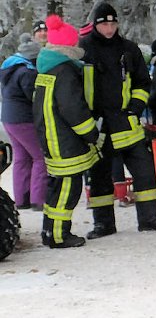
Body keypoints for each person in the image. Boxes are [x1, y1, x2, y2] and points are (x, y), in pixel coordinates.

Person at [79, 1, 156, 237]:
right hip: (99, 125)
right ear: (96, 25)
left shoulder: (129, 49)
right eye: (105, 24)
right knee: (100, 177)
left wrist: (135, 108)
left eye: (113, 23)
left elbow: (143, 82)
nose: (110, 28)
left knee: (145, 173)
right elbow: (76, 87)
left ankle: (149, 218)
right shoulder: (84, 49)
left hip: (127, 123)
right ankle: (103, 224)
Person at [32, 15, 100, 248]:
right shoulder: (65, 71)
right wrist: (91, 133)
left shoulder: (47, 67)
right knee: (68, 188)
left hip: (51, 137)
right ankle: (60, 235)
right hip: (65, 141)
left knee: (56, 187)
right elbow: (74, 110)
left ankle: (49, 231)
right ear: (69, 45)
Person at [1, 33, 49, 210]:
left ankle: (22, 200)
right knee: (40, 157)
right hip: (24, 120)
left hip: (8, 119)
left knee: (21, 158)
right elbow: (34, 98)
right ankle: (39, 199)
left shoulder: (10, 68)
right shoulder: (27, 72)